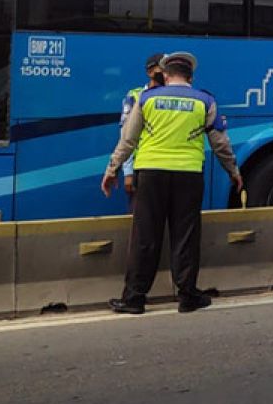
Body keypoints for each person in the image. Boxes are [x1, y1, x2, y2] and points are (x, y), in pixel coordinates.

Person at [101, 52, 242, 314]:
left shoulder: (146, 98)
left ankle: (134, 299)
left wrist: (113, 169)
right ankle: (187, 296)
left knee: (146, 236)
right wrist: (233, 171)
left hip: (151, 173)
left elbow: (128, 139)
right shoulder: (205, 101)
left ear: (165, 75)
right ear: (191, 76)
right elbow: (220, 143)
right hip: (188, 175)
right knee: (185, 236)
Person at [119, 53, 166, 203]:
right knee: (141, 219)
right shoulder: (135, 96)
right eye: (162, 68)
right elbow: (126, 135)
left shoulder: (173, 95)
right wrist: (128, 171)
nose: (165, 72)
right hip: (142, 169)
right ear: (150, 72)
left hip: (166, 168)